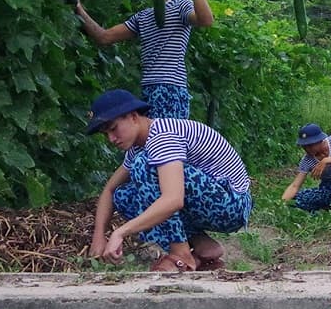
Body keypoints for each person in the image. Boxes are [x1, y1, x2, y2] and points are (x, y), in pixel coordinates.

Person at [85, 88, 252, 272]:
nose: (111, 138)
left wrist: (121, 232)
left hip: (232, 205)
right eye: (105, 134)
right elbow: (109, 190)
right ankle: (204, 246)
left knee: (144, 166)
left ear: (133, 116)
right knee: (124, 196)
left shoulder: (162, 136)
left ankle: (180, 255)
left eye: (113, 129)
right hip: (212, 200)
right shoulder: (138, 147)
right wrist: (99, 236)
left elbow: (174, 199)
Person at [74, 0, 214, 119]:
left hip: (170, 88)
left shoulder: (180, 6)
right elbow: (104, 37)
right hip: (148, 88)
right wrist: (78, 8)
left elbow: (206, 20)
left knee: (165, 142)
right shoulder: (143, 17)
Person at [281, 123, 331, 212]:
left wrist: (325, 161)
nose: (307, 149)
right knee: (295, 199)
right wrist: (281, 204)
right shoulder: (307, 161)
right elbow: (294, 186)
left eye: (310, 145)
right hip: (328, 190)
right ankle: (327, 207)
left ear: (320, 141)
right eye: (304, 146)